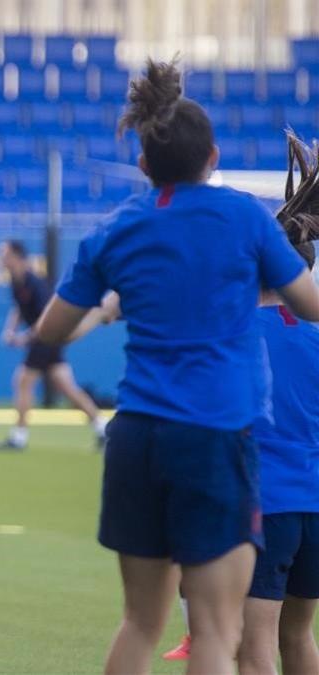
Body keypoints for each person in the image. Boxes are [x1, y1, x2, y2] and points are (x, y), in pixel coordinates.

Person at [32, 59, 319, 675]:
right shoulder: (244, 217)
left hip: (136, 437)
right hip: (215, 437)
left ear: (142, 165)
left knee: (140, 622)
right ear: (213, 156)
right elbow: (308, 304)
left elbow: (48, 334)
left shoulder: (115, 230)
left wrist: (112, 306)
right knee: (218, 631)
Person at [236, 131, 319, 675]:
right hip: (317, 501)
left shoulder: (237, 334)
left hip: (265, 502)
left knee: (254, 637)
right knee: (300, 633)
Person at [0, 239, 106, 449]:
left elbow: (48, 318)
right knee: (67, 388)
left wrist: (24, 337)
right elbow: (19, 308)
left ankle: (19, 437)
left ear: (17, 257)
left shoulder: (35, 283)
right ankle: (103, 428)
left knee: (23, 381)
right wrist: (10, 330)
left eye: (5, 254)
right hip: (42, 340)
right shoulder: (15, 282)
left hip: (46, 339)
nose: (2, 259)